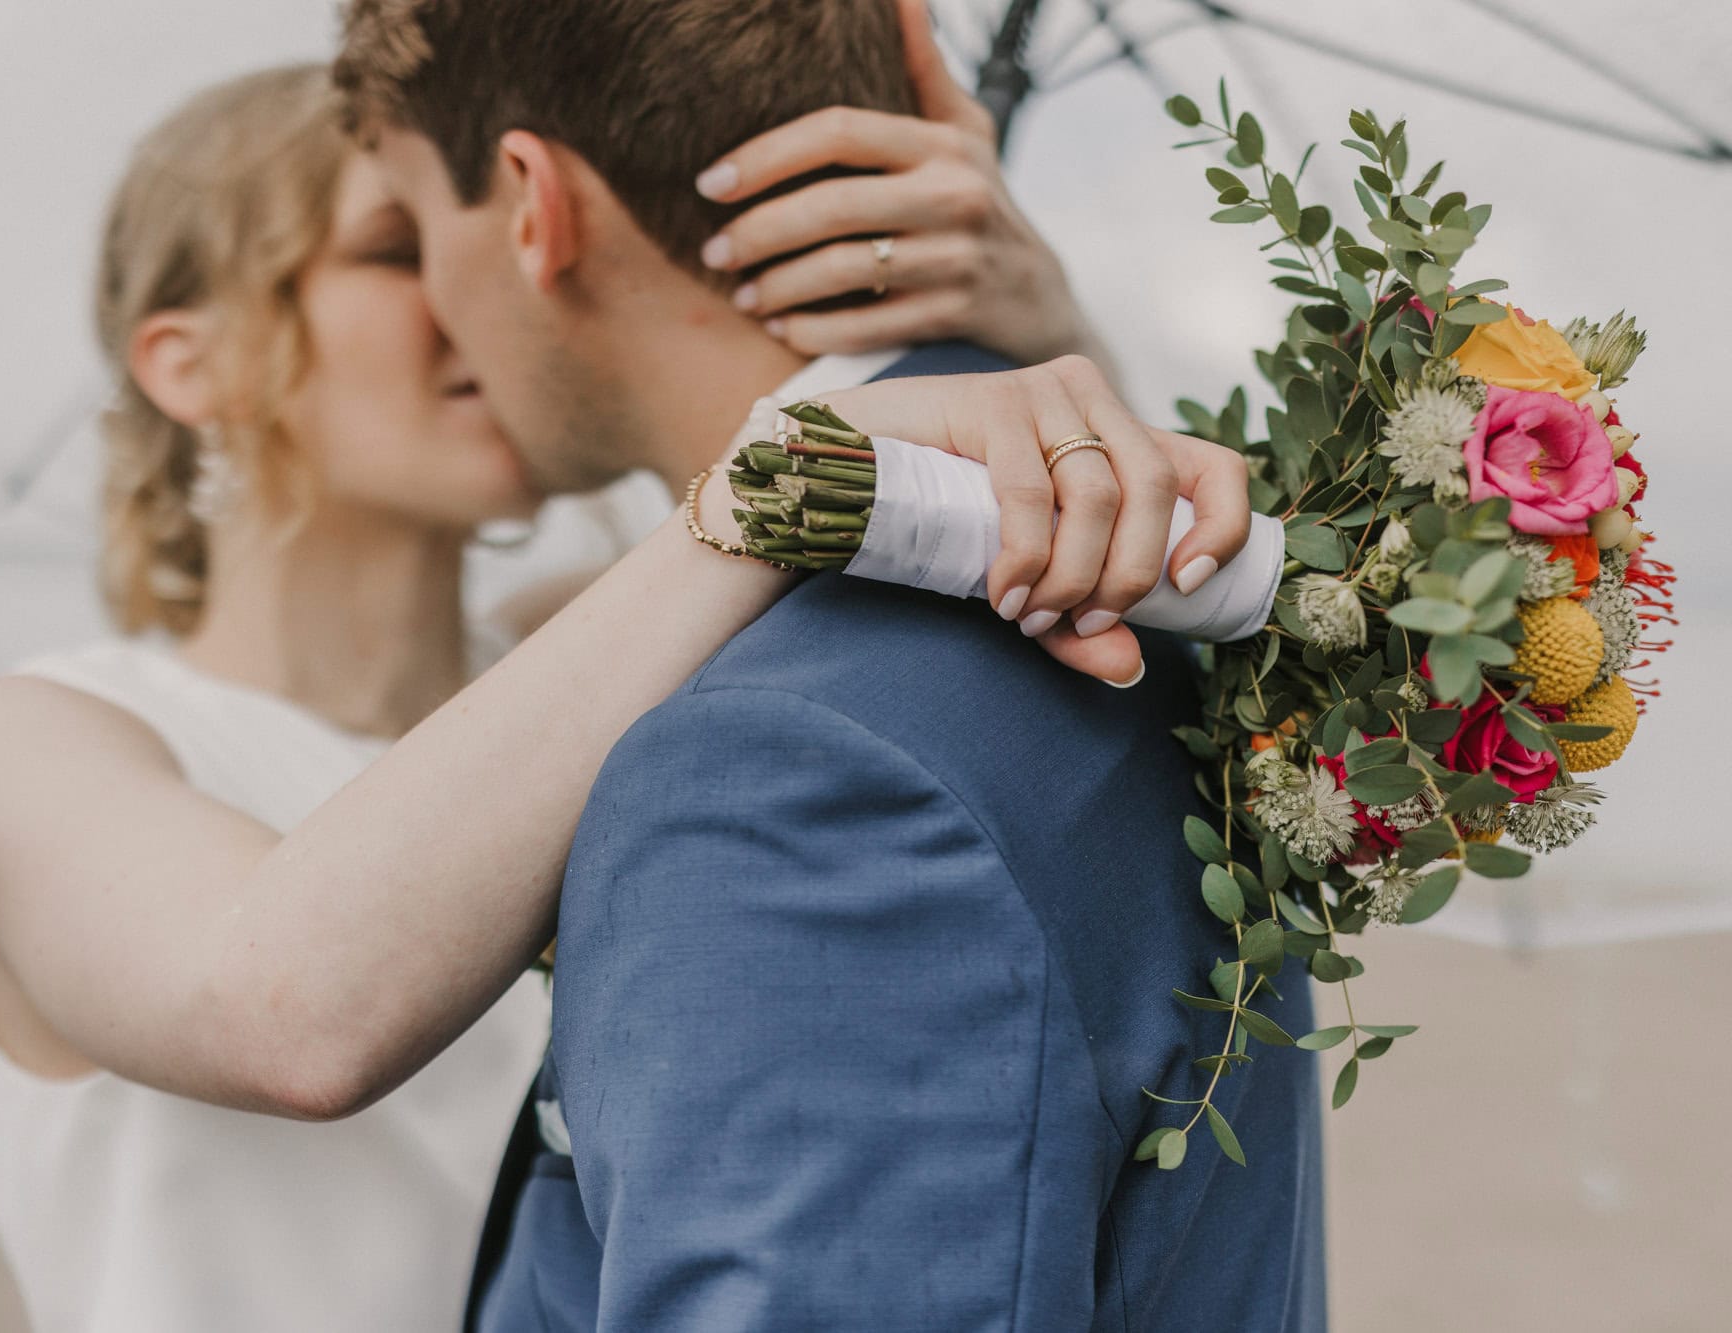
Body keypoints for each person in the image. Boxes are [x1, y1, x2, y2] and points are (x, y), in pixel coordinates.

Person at [0, 26, 1249, 1333]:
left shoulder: (596, 640)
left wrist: (1036, 330)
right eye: (397, 248)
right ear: (195, 362)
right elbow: (284, 1012)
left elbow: (1069, 675)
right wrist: (768, 491)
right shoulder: (25, 744)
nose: (474, 286)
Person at [338, 0, 1329, 1328]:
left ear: (531, 204)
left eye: (414, 230)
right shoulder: (1127, 553)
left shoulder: (788, 761)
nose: (440, 321)